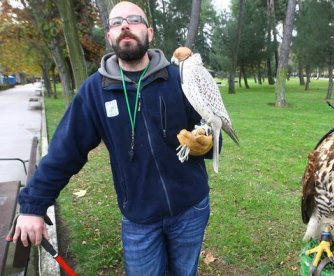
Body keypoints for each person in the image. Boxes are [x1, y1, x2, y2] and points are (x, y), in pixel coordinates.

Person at [14, 1, 215, 275]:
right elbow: (65, 151)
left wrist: (208, 142)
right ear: (109, 36)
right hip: (139, 219)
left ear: (150, 32)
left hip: (190, 208)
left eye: (134, 19)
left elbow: (210, 125)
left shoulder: (179, 79)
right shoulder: (95, 92)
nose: (125, 26)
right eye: (116, 22)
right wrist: (33, 205)